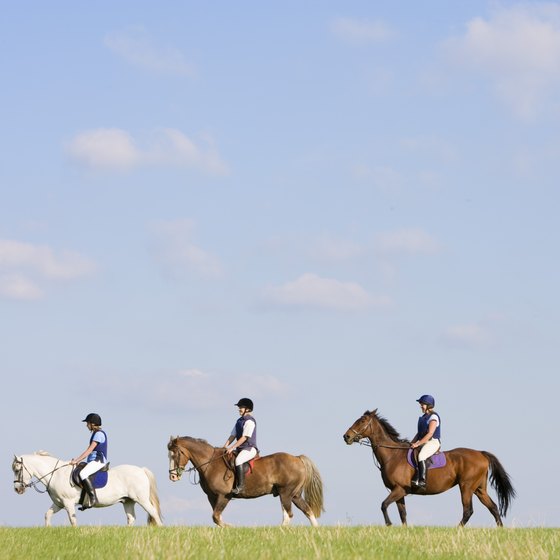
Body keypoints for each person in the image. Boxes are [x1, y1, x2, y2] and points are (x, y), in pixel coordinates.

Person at [70, 413, 108, 510]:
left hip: (98, 461)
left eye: (87, 423)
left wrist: (77, 460)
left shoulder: (99, 434)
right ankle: (84, 499)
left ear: (92, 424)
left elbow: (89, 451)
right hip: (92, 461)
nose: (86, 425)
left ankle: (93, 499)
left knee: (83, 474)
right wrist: (78, 461)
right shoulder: (95, 434)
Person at [223, 398, 258, 495]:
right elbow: (232, 436)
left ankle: (240, 487)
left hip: (249, 448)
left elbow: (244, 438)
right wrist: (225, 446)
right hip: (240, 449)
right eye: (239, 407)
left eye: (241, 407)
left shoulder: (250, 421)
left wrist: (232, 447)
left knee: (238, 460)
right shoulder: (239, 421)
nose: (239, 409)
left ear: (247, 409)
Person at [410, 394, 441, 488]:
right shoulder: (424, 417)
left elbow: (430, 434)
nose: (420, 406)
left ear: (428, 405)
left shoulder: (433, 417)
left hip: (433, 442)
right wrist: (412, 443)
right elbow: (419, 433)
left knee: (421, 455)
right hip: (424, 441)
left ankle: (422, 481)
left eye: (422, 404)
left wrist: (418, 443)